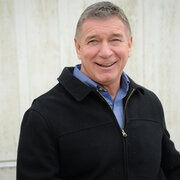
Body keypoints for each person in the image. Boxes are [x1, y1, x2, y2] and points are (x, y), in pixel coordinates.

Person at [17, 1, 180, 180]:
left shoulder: (149, 103)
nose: (105, 52)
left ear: (129, 45)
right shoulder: (42, 115)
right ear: (78, 47)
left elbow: (172, 169)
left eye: (115, 39)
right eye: (93, 41)